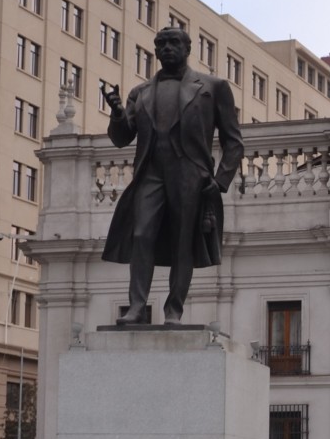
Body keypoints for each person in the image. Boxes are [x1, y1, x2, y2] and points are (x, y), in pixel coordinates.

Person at [101, 26, 244, 324]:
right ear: (155, 50)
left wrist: (220, 181)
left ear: (188, 48)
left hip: (190, 176)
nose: (167, 47)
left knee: (183, 241)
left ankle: (173, 309)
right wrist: (117, 113)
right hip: (150, 173)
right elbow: (122, 138)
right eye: (161, 43)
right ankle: (137, 306)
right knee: (141, 235)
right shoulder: (140, 92)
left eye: (173, 42)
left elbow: (233, 142)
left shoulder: (213, 87)